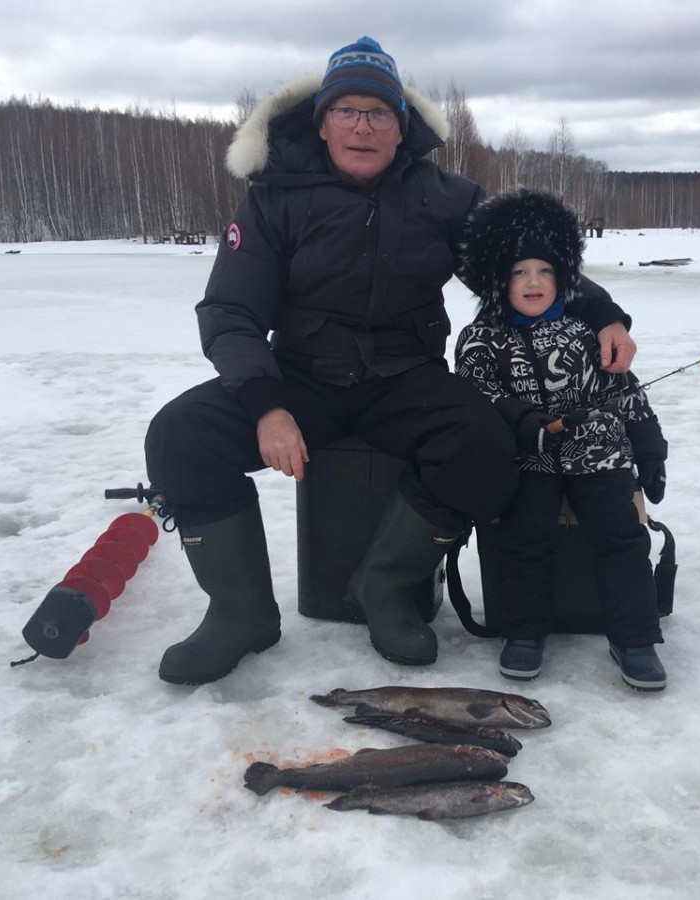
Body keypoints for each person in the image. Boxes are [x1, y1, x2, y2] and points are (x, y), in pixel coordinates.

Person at [144, 37, 637, 686]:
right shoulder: (273, 198)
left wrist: (602, 313)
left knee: (486, 445)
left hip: (405, 376)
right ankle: (241, 614)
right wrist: (266, 406)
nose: (363, 126)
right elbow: (230, 312)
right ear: (322, 123)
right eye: (346, 111)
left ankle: (384, 586)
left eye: (379, 113)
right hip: (302, 376)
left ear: (401, 129)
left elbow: (521, 264)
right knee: (179, 437)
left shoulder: (444, 196)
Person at [454, 189, 670, 690]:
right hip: (530, 461)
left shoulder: (587, 331)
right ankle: (524, 632)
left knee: (622, 539)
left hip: (600, 457)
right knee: (524, 540)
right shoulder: (483, 338)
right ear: (497, 280)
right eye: (519, 272)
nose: (533, 282)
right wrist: (522, 421)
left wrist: (650, 447)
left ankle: (635, 638)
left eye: (545, 271)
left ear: (564, 276)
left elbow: (626, 391)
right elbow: (475, 393)